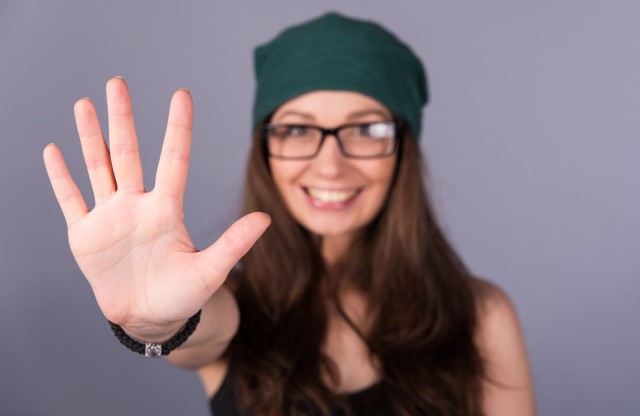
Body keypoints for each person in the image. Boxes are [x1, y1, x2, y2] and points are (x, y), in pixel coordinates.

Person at [43, 12, 535, 416]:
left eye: (366, 130)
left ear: (404, 150)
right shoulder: (233, 303)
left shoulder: (482, 316)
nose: (330, 165)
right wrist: (154, 324)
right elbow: (197, 328)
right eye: (298, 130)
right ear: (265, 150)